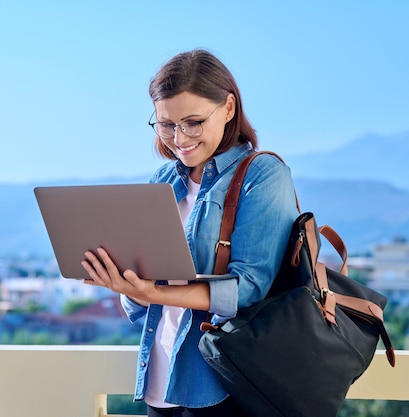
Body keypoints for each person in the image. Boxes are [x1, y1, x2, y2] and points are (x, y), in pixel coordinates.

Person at [81, 49, 298, 417]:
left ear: (228, 108)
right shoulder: (162, 181)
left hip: (224, 388)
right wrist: (128, 288)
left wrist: (158, 291)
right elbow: (145, 303)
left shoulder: (262, 175)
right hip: (160, 384)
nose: (179, 137)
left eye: (193, 122)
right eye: (166, 124)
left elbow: (250, 286)